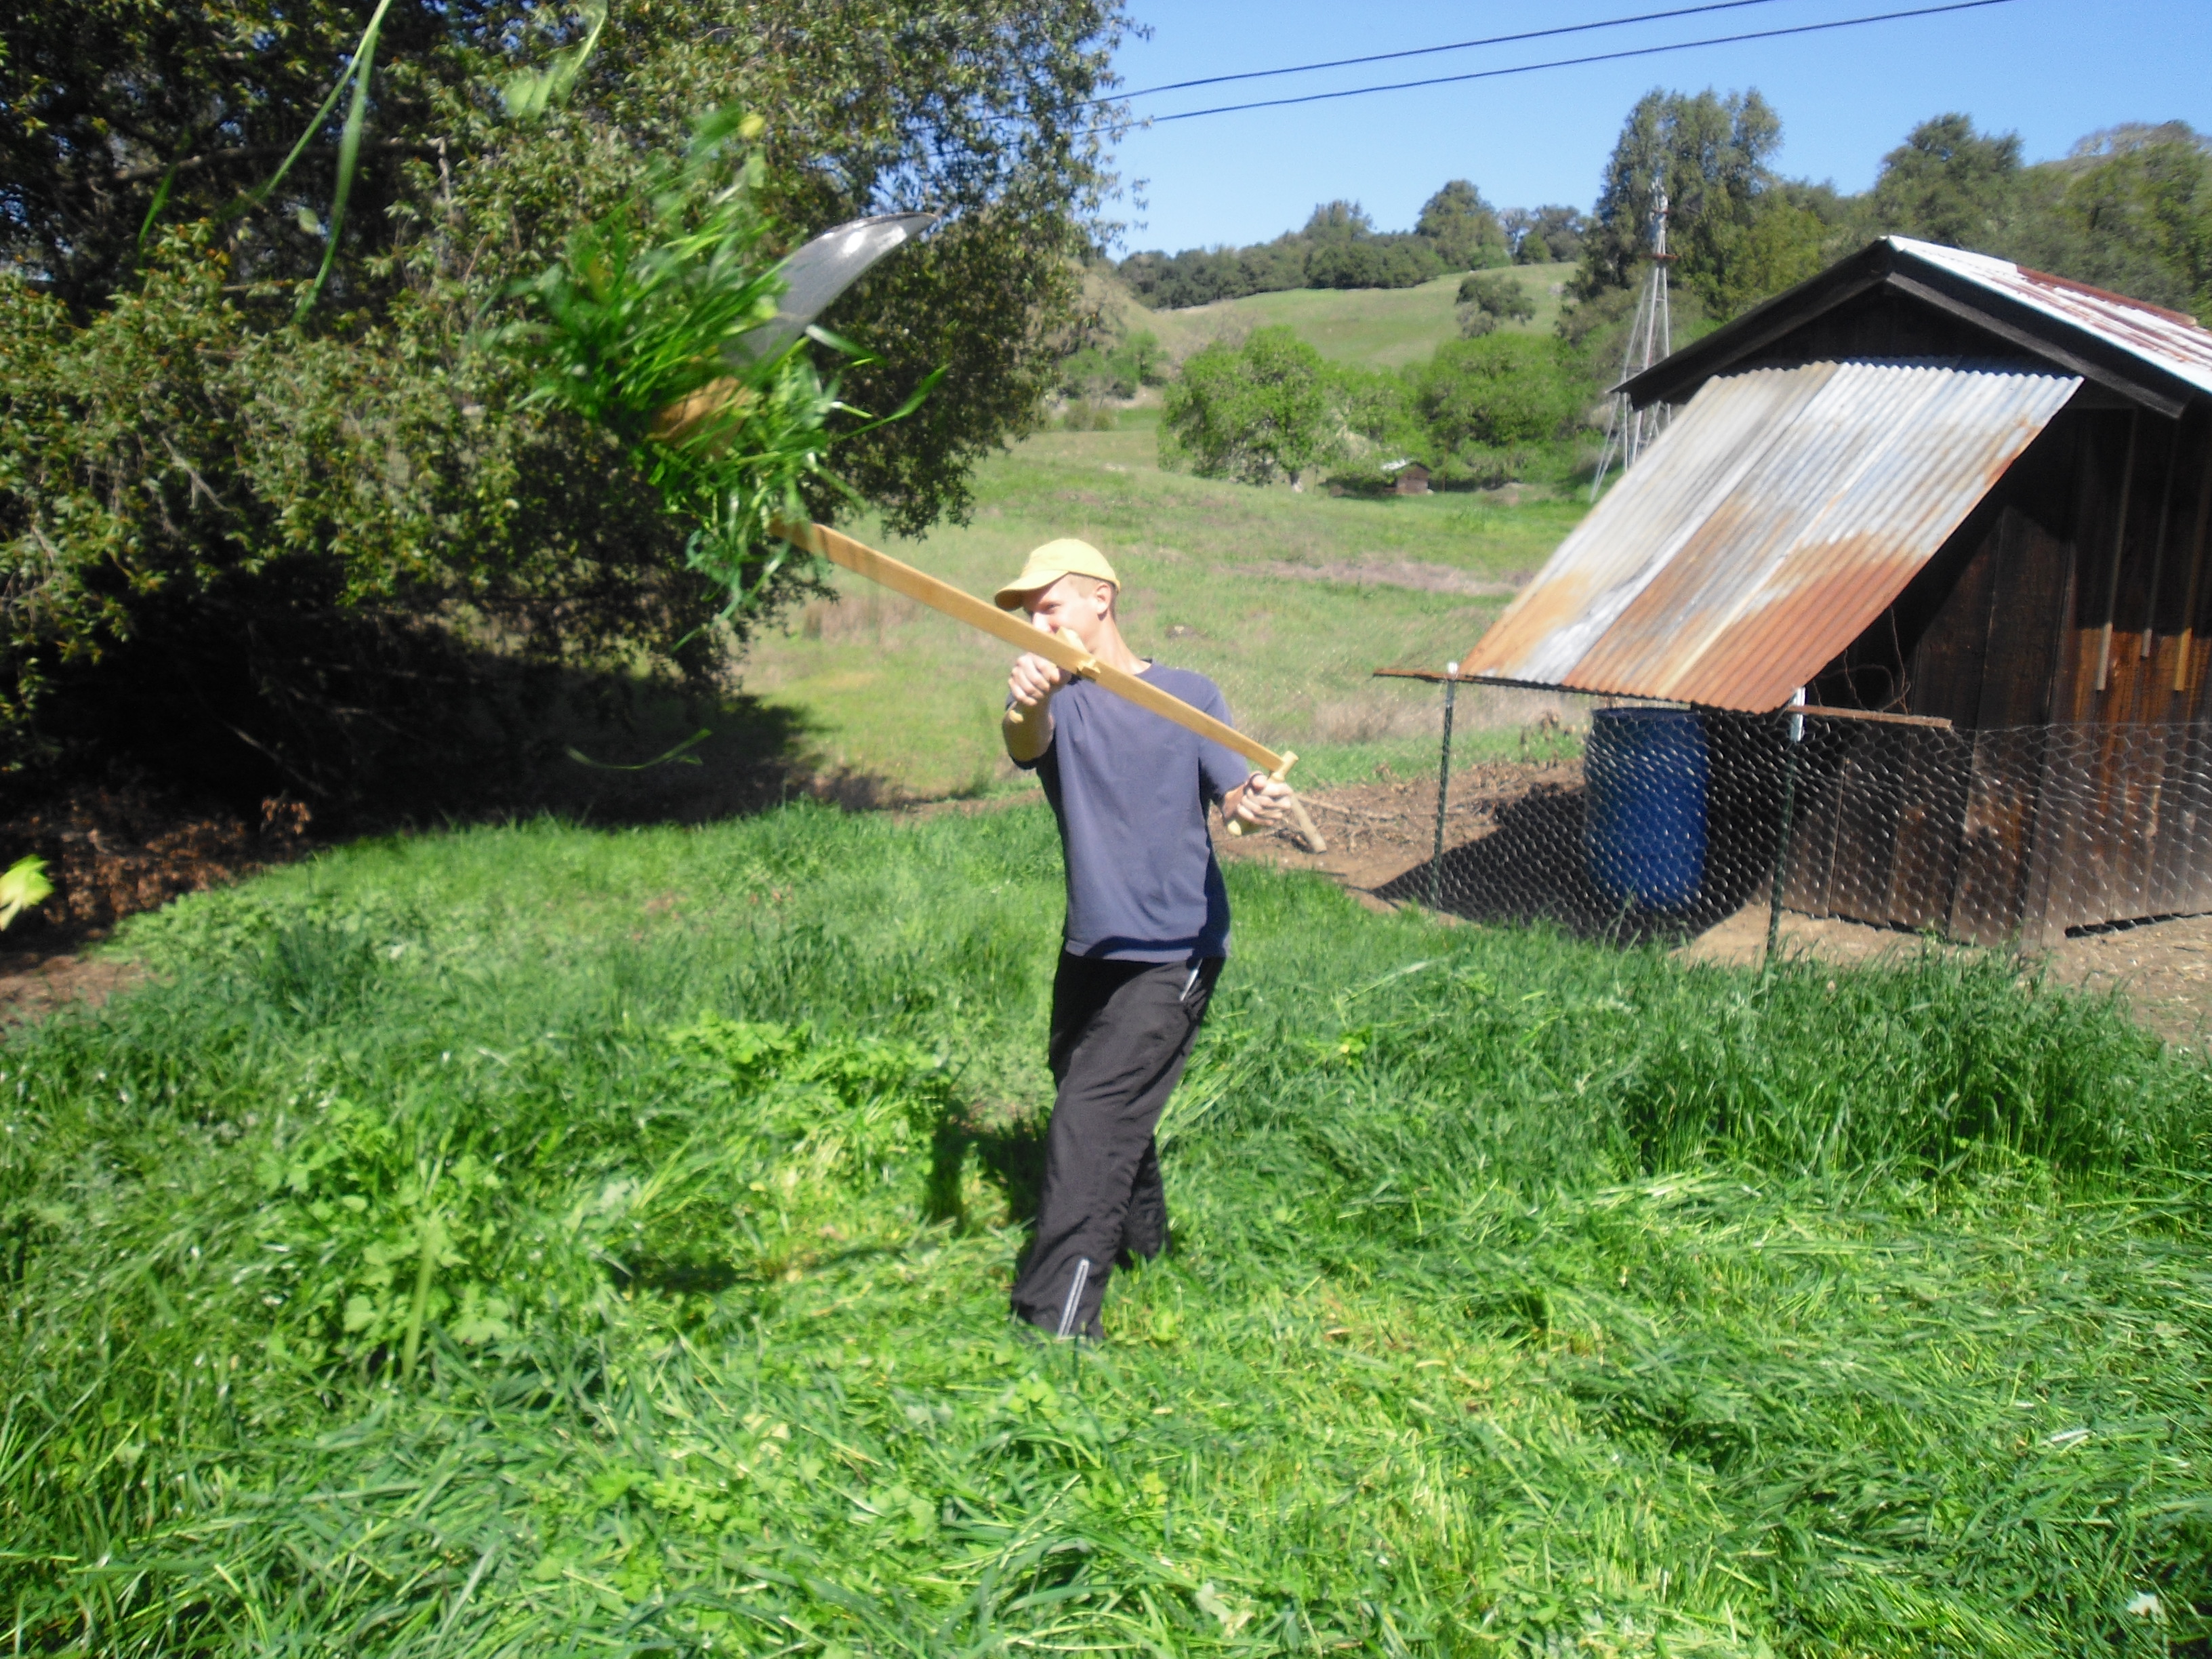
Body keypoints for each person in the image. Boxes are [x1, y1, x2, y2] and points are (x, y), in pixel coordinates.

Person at [996, 537, 1291, 1340]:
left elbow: (1237, 798)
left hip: (1175, 948)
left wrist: (1256, 805)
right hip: (1092, 947)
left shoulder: (1190, 695)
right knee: (1096, 1095)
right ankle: (1144, 1246)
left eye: (1049, 607)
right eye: (1029, 616)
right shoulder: (1050, 697)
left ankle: (1054, 1323)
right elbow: (1024, 741)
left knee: (1090, 1118)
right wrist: (1030, 700)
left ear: (1102, 597)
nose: (1038, 626)